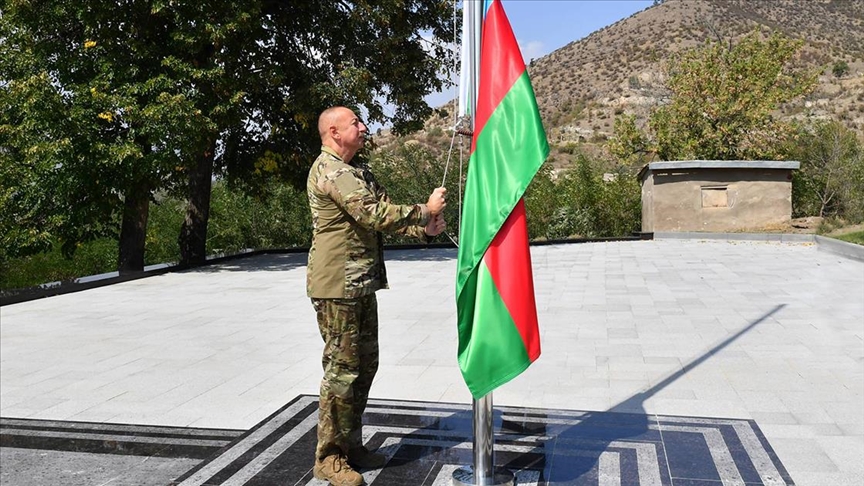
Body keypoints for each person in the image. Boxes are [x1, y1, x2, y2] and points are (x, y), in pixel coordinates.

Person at [306, 106, 447, 486]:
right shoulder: (331, 170)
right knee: (341, 372)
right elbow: (371, 213)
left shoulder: (358, 171)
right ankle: (328, 458)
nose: (364, 127)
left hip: (360, 283)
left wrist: (425, 230)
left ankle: (351, 447)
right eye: (355, 122)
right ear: (334, 132)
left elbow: (384, 214)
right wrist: (424, 211)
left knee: (364, 366)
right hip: (337, 285)